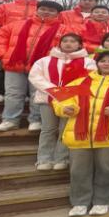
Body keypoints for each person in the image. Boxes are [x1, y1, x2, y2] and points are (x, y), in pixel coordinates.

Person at [52, 50, 109, 217]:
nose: (106, 64)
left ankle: (102, 200)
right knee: (78, 171)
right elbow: (60, 100)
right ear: (97, 63)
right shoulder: (81, 81)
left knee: (107, 170)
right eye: (103, 60)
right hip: (80, 134)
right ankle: (80, 202)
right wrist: (65, 108)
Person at [0, 0, 68, 132]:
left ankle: (35, 120)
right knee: (13, 94)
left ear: (57, 14)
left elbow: (69, 47)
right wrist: (5, 55)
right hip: (14, 65)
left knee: (38, 94)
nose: (46, 12)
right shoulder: (17, 24)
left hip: (42, 68)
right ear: (37, 10)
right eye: (43, 9)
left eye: (51, 10)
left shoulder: (64, 30)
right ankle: (10, 120)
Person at [28, 33, 94, 171]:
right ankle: (44, 159)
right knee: (48, 129)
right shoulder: (44, 61)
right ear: (60, 43)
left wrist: (69, 93)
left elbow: (90, 79)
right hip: (47, 99)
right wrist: (54, 90)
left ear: (79, 45)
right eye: (65, 41)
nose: (68, 44)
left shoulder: (88, 62)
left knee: (65, 130)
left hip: (72, 101)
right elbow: (35, 77)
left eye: (73, 41)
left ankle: (61, 158)